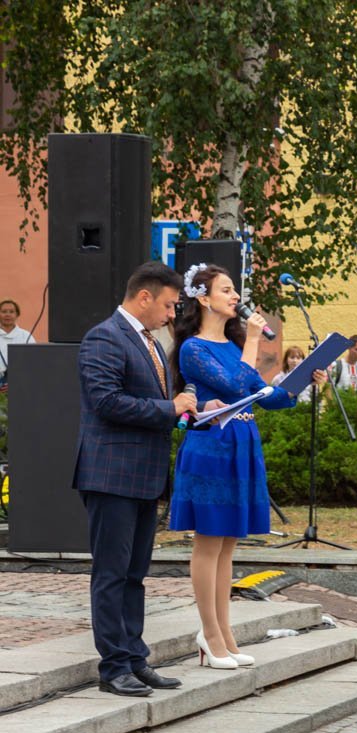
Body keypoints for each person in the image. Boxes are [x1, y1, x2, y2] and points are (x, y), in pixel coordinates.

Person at [169, 265, 327, 671]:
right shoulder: (194, 349)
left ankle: (225, 633)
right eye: (226, 290)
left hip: (242, 442)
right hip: (212, 447)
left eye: (234, 290)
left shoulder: (233, 346)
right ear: (204, 299)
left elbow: (263, 394)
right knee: (208, 542)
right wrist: (254, 339)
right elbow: (235, 385)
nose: (235, 296)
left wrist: (303, 381)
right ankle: (210, 633)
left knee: (228, 544)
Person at [73, 263, 202, 696]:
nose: (172, 314)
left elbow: (151, 405)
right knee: (112, 574)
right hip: (111, 476)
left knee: (134, 575)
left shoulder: (150, 342)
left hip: (144, 476)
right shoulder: (104, 337)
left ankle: (134, 658)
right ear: (144, 297)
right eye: (168, 305)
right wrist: (171, 408)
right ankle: (113, 668)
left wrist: (187, 411)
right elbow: (107, 402)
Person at [0, 297, 36, 392]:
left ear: (17, 315)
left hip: (20, 385)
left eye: (11, 312)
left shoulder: (26, 336)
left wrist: (16, 381)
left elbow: (33, 362)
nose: (7, 314)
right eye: (4, 311)